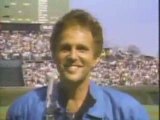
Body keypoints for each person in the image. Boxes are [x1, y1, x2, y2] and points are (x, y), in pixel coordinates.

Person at [7, 9, 149, 120]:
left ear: (96, 57)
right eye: (65, 48)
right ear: (54, 53)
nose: (73, 56)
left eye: (82, 48)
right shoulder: (23, 111)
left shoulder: (128, 113)